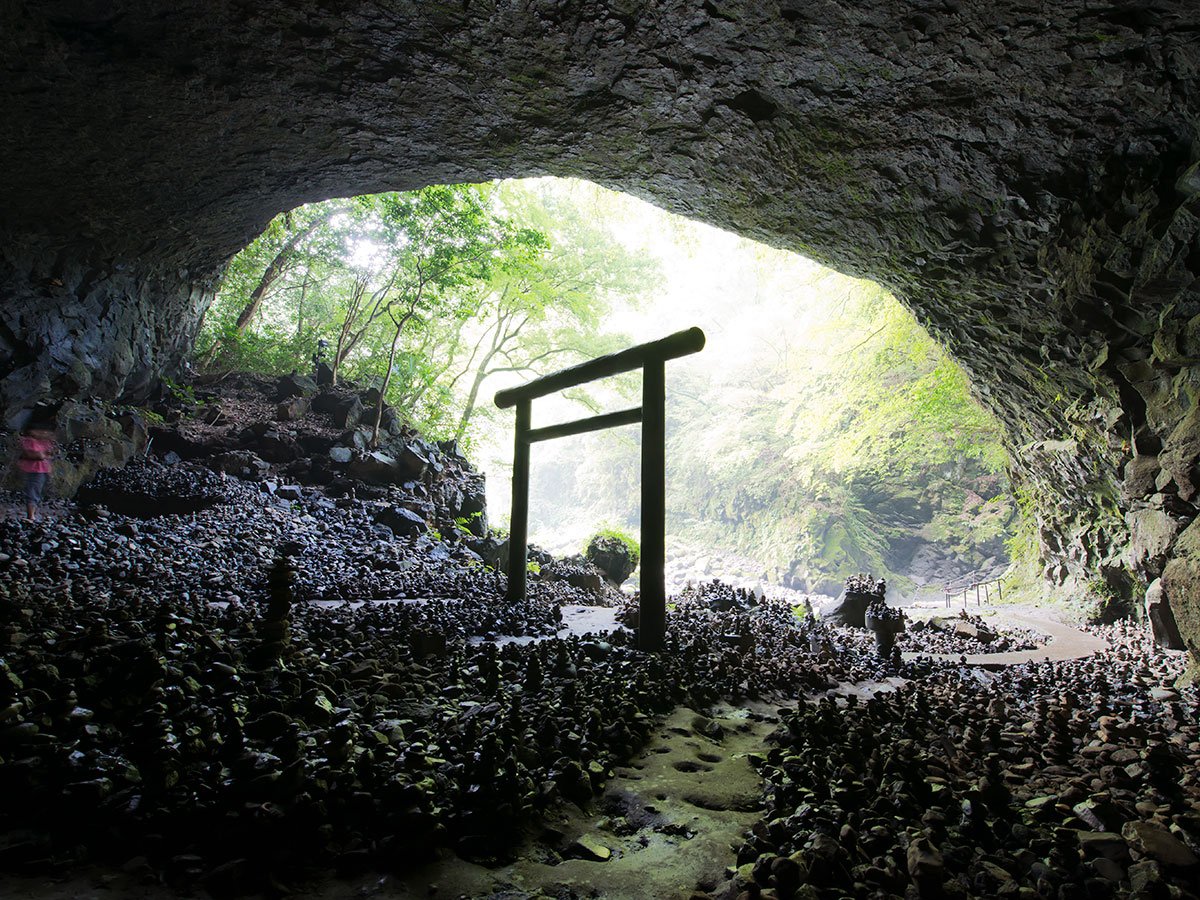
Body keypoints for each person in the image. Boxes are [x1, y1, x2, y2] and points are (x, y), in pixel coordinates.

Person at [17, 421, 55, 521]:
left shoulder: (46, 442)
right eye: (41, 431)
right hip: (33, 470)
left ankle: (34, 512)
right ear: (32, 431)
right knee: (32, 490)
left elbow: (48, 455)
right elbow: (35, 455)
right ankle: (31, 515)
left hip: (43, 470)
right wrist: (43, 455)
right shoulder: (29, 441)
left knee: (38, 490)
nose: (45, 434)